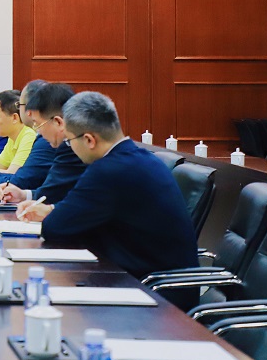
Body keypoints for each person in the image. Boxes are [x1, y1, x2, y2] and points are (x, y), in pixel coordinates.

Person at [19, 91, 198, 280]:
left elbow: (54, 228)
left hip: (153, 287)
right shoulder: (141, 158)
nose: (70, 147)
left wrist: (53, 215)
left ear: (89, 140)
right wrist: (52, 210)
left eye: (69, 141)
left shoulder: (108, 170)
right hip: (158, 275)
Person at [0, 83, 87, 205]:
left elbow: (52, 194)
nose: (38, 131)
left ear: (58, 122)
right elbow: (53, 192)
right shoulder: (67, 145)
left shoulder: (74, 148)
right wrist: (23, 195)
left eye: (38, 124)